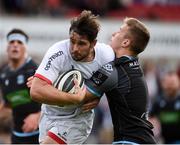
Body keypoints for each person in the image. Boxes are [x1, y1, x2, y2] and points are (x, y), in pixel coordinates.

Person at [30, 10, 115, 144]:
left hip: (77, 118)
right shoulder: (58, 52)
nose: (74, 48)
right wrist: (74, 98)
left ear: (93, 43)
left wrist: (97, 94)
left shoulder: (106, 56)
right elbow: (35, 91)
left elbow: (113, 80)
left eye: (81, 43)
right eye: (72, 41)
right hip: (49, 114)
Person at [81, 17, 156, 144]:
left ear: (125, 42)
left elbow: (80, 96)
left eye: (119, 31)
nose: (113, 34)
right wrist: (99, 92)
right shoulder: (132, 66)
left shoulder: (113, 69)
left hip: (130, 141)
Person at [0, 29, 41, 144]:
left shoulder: (36, 70)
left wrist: (38, 115)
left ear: (25, 47)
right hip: (17, 135)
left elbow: (55, 101)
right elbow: (8, 104)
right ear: (7, 48)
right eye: (12, 42)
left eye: (19, 42)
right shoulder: (4, 73)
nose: (15, 45)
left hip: (40, 134)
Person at [149, 71, 180, 144]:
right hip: (164, 141)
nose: (170, 86)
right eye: (167, 83)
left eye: (172, 83)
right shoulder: (158, 101)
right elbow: (151, 117)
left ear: (178, 83)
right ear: (163, 84)